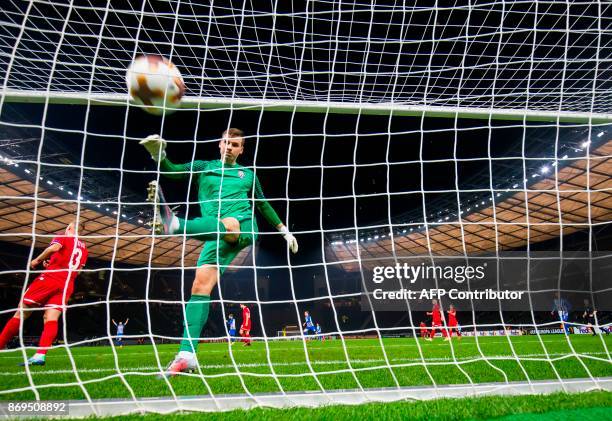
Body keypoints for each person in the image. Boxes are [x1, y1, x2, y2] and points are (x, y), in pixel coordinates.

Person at [141, 129, 297, 375]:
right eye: (227, 142)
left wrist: (285, 231)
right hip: (215, 233)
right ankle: (187, 354)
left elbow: (263, 203)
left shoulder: (247, 174)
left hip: (243, 225)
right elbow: (172, 170)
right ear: (219, 144)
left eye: (235, 145)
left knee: (230, 224)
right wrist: (159, 155)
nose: (230, 147)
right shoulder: (204, 166)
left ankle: (177, 225)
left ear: (241, 149)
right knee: (200, 286)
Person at [0, 221, 88, 366]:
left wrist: (37, 260)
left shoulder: (64, 236)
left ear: (69, 227)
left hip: (49, 279)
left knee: (21, 312)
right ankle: (40, 355)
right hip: (67, 284)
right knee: (50, 318)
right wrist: (52, 264)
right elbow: (77, 271)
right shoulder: (84, 248)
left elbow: (54, 248)